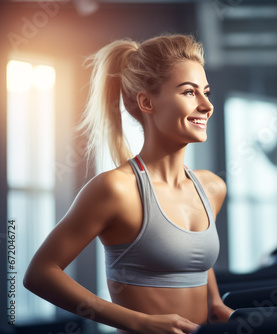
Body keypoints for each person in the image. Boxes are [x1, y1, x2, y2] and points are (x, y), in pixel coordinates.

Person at [23, 33, 234, 334]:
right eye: (189, 92)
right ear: (147, 102)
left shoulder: (212, 188)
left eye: (206, 92)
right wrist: (139, 322)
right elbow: (39, 274)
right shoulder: (115, 190)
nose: (206, 105)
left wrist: (216, 305)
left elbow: (194, 261)